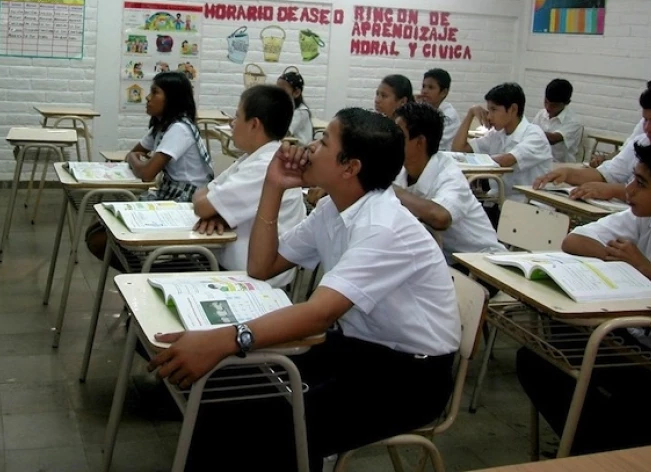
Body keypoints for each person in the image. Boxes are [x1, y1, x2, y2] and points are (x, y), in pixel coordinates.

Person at [150, 109, 460, 472]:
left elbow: (319, 314)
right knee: (226, 391)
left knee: (278, 424)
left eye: (324, 141)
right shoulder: (335, 208)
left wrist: (222, 339)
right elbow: (262, 267)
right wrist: (274, 185)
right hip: (357, 349)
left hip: (410, 377)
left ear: (350, 167)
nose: (310, 147)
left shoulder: (384, 228)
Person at [517, 141, 651, 455]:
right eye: (632, 179)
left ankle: (596, 448)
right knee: (536, 358)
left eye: (641, 184)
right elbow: (574, 240)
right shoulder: (641, 217)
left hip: (649, 352)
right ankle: (592, 446)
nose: (629, 191)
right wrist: (619, 259)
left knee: (631, 402)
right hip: (630, 335)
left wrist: (645, 268)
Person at [85, 71, 214, 260]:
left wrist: (131, 158)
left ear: (172, 99)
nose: (147, 97)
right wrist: (133, 157)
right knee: (98, 226)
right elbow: (137, 152)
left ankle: (145, 270)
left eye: (155, 93)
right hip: (169, 192)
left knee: (99, 238)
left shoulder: (180, 129)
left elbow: (147, 173)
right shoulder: (162, 126)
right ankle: (141, 267)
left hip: (187, 199)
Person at [192, 85, 306, 286]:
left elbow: (202, 205)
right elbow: (202, 195)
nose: (232, 123)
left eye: (236, 117)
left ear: (254, 124)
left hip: (251, 280)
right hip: (233, 266)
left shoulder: (265, 166)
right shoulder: (253, 158)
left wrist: (214, 210)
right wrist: (216, 211)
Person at [393, 102, 504, 262]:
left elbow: (440, 218)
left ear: (419, 142)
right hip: (443, 259)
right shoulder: (402, 169)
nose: (391, 140)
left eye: (399, 135)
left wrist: (395, 191)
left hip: (481, 264)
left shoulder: (449, 173)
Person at [534, 85, 651, 201]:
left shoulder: (573, 121)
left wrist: (614, 190)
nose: (647, 128)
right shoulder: (641, 142)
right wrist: (568, 173)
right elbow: (605, 174)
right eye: (645, 120)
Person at [452, 82, 552, 204]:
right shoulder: (497, 134)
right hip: (498, 200)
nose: (489, 116)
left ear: (513, 109)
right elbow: (458, 148)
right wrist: (470, 114)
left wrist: (471, 161)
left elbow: (506, 160)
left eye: (494, 110)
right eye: (488, 110)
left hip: (527, 205)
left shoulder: (534, 135)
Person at [533, 79, 583, 164]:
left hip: (562, 166)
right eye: (546, 102)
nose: (548, 107)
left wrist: (527, 130)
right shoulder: (541, 114)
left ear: (566, 103)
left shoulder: (574, 122)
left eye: (553, 105)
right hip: (540, 162)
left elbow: (553, 139)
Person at [418, 68, 460, 151]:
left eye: (431, 87)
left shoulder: (449, 115)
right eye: (423, 86)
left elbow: (435, 143)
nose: (424, 91)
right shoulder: (424, 109)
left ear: (444, 92)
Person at [276, 69, 312, 144]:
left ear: (296, 93)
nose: (278, 94)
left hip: (300, 150)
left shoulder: (301, 112)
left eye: (282, 91)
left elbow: (284, 132)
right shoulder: (285, 109)